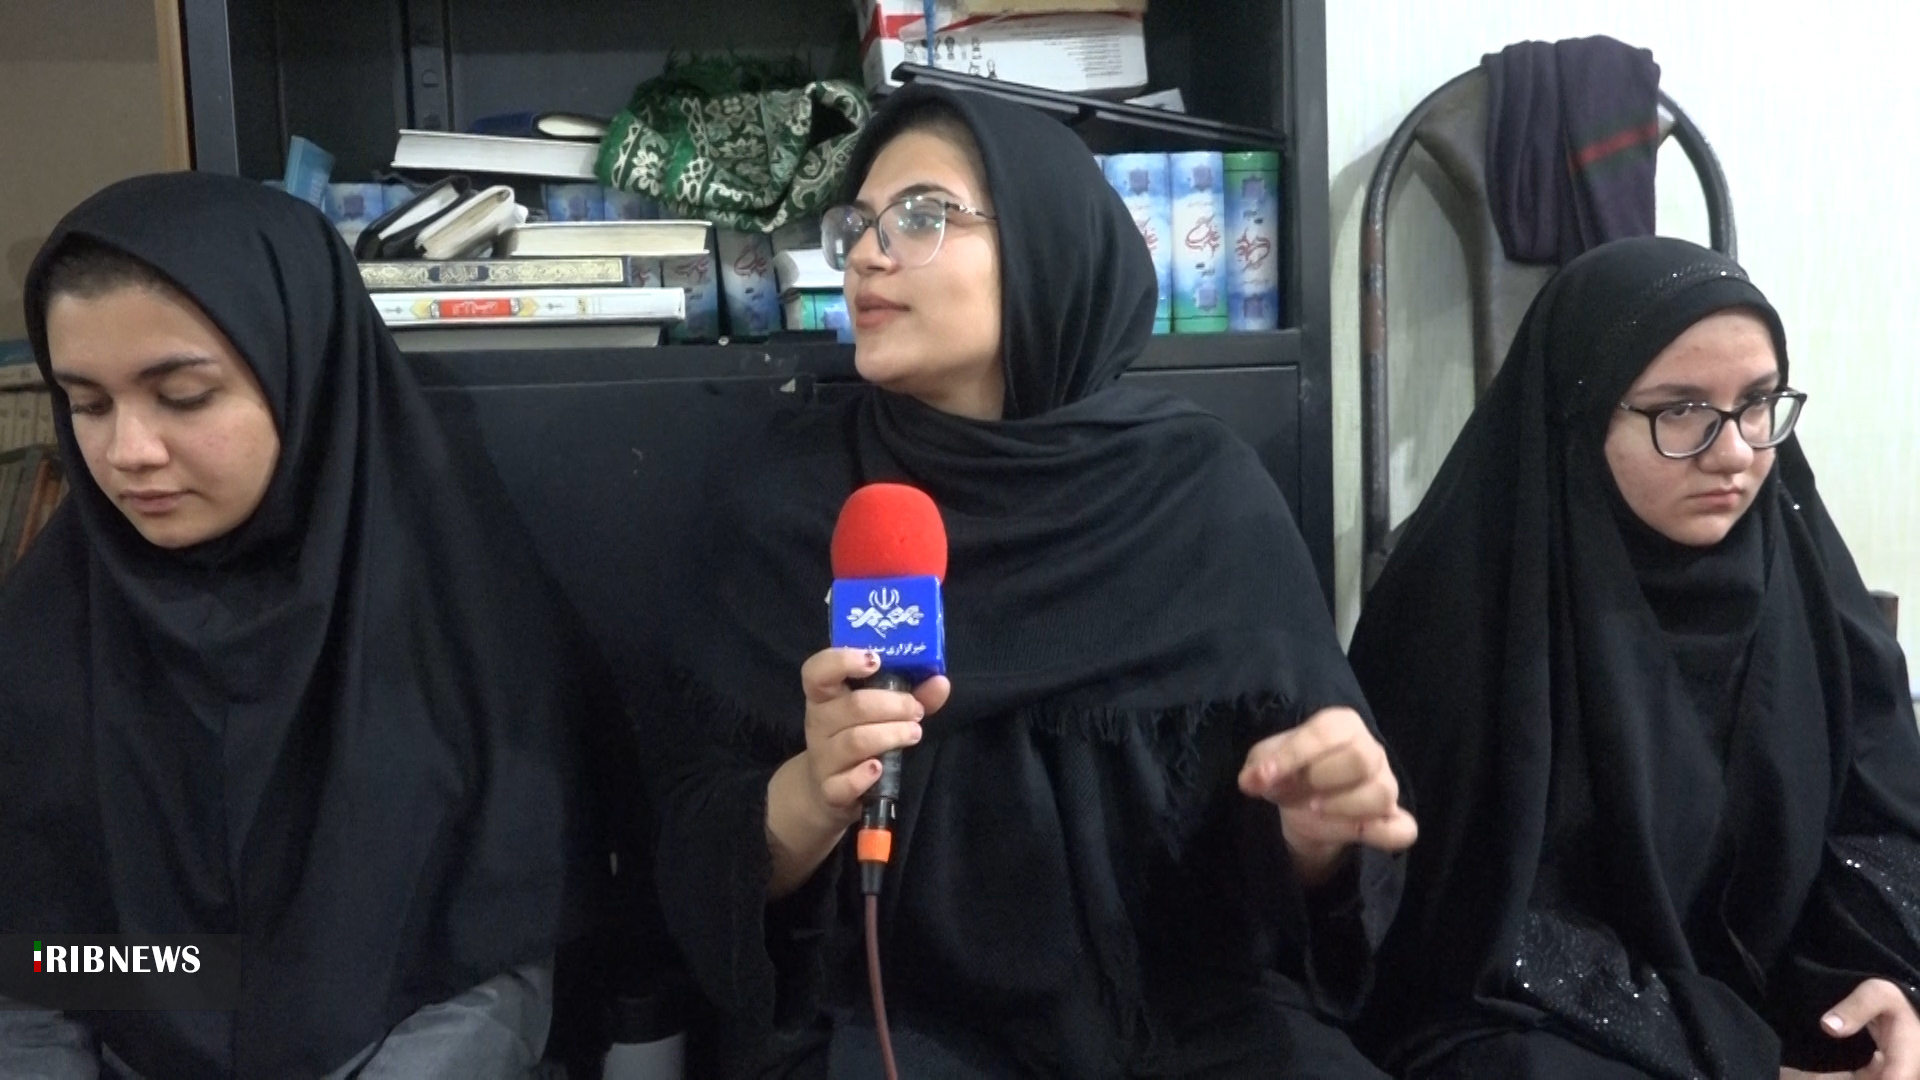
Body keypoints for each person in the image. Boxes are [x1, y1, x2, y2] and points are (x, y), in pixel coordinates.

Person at [643, 84, 1414, 1077]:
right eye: (858, 225)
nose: (869, 253)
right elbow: (694, 861)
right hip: (885, 1021)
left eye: (923, 215)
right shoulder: (791, 503)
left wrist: (1315, 839)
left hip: (1184, 1020)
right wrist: (811, 794)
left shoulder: (1201, 494)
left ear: (1050, 245)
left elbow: (1308, 862)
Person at [0, 174, 619, 1078]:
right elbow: (39, 965)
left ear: (309, 372)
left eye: (184, 395)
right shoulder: (45, 637)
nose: (128, 451)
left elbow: (487, 958)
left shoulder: (458, 632)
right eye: (87, 405)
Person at [1349, 235, 1920, 1078]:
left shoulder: (1803, 585)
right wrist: (1739, 1062)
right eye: (1679, 410)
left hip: (1782, 1007)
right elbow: (1467, 926)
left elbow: (1879, 834)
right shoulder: (1461, 610)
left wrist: (1874, 997)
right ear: (1582, 416)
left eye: (1757, 403)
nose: (1735, 453)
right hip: (1557, 1023)